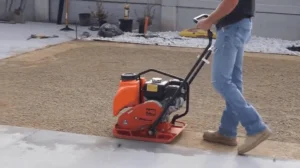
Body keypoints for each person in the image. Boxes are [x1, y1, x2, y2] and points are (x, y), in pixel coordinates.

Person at [196, 0, 272, 154]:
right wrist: (213, 18)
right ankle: (227, 132)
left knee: (221, 81)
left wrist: (209, 21)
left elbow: (230, 2)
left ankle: (256, 127)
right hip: (240, 26)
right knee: (234, 82)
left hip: (232, 29)